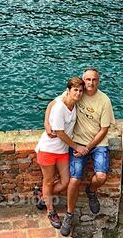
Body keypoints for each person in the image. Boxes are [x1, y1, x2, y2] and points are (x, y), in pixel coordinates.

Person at [43, 68, 114, 237]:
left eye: (94, 80)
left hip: (97, 144)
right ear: (83, 81)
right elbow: (53, 104)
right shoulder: (76, 92)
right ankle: (69, 215)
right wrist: (46, 124)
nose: (91, 83)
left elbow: (104, 129)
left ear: (99, 81)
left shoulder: (104, 100)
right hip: (77, 142)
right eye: (88, 79)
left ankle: (91, 191)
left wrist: (88, 147)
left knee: (102, 177)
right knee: (73, 180)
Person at [34, 76, 86, 229]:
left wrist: (45, 120)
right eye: (75, 90)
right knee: (48, 181)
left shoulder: (72, 102)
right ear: (68, 90)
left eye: (80, 91)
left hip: (62, 151)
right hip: (48, 149)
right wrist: (77, 147)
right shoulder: (60, 106)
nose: (78, 93)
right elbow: (60, 133)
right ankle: (51, 211)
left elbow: (50, 103)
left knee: (65, 181)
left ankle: (41, 196)